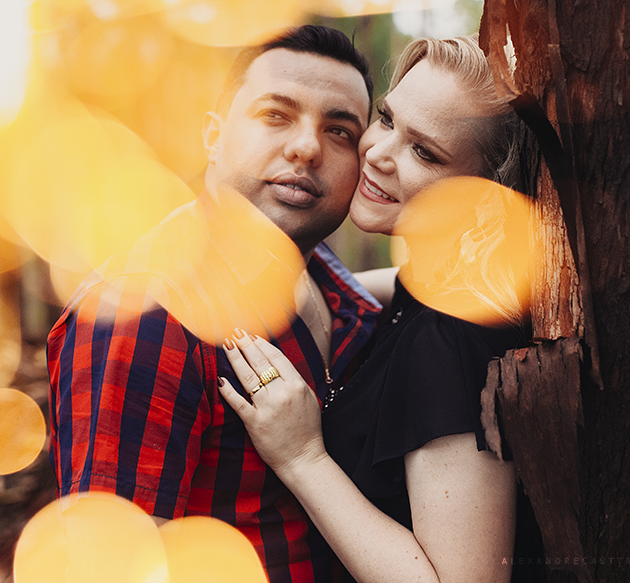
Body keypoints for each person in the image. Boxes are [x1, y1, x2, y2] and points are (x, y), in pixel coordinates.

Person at [48, 25, 383, 582]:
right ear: (213, 135)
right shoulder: (147, 312)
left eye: (340, 131)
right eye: (275, 115)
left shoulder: (325, 280)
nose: (307, 147)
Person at [219, 35, 540, 583]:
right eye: (387, 119)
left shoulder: (446, 344)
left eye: (424, 152)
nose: (376, 153)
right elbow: (387, 288)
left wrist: (303, 459)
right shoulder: (436, 291)